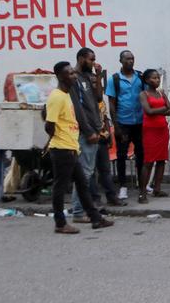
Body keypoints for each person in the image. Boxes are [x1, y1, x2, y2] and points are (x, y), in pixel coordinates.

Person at [46, 61, 114, 234]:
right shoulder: (56, 96)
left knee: (83, 184)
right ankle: (60, 223)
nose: (74, 76)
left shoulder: (67, 94)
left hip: (71, 147)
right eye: (70, 74)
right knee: (60, 187)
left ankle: (96, 219)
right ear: (60, 77)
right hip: (62, 149)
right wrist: (60, 138)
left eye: (73, 73)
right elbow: (49, 125)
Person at [71, 49, 125, 224]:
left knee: (89, 172)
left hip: (96, 130)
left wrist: (98, 75)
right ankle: (79, 211)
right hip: (86, 132)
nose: (94, 62)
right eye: (91, 59)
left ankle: (84, 210)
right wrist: (88, 131)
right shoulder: (74, 78)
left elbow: (98, 97)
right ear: (81, 59)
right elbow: (78, 109)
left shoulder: (87, 77)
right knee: (85, 173)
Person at [106, 50, 144, 200]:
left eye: (132, 58)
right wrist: (116, 126)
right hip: (123, 123)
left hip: (139, 123)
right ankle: (122, 186)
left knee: (141, 154)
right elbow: (112, 104)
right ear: (120, 61)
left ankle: (143, 184)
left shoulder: (140, 77)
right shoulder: (114, 80)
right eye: (127, 59)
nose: (131, 61)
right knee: (121, 155)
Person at [138, 69, 170, 204]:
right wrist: (162, 110)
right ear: (146, 80)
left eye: (158, 78)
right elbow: (148, 111)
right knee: (148, 162)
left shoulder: (161, 93)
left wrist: (159, 111)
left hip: (162, 130)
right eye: (154, 78)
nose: (157, 80)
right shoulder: (143, 94)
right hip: (150, 130)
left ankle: (157, 189)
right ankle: (142, 193)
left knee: (161, 160)